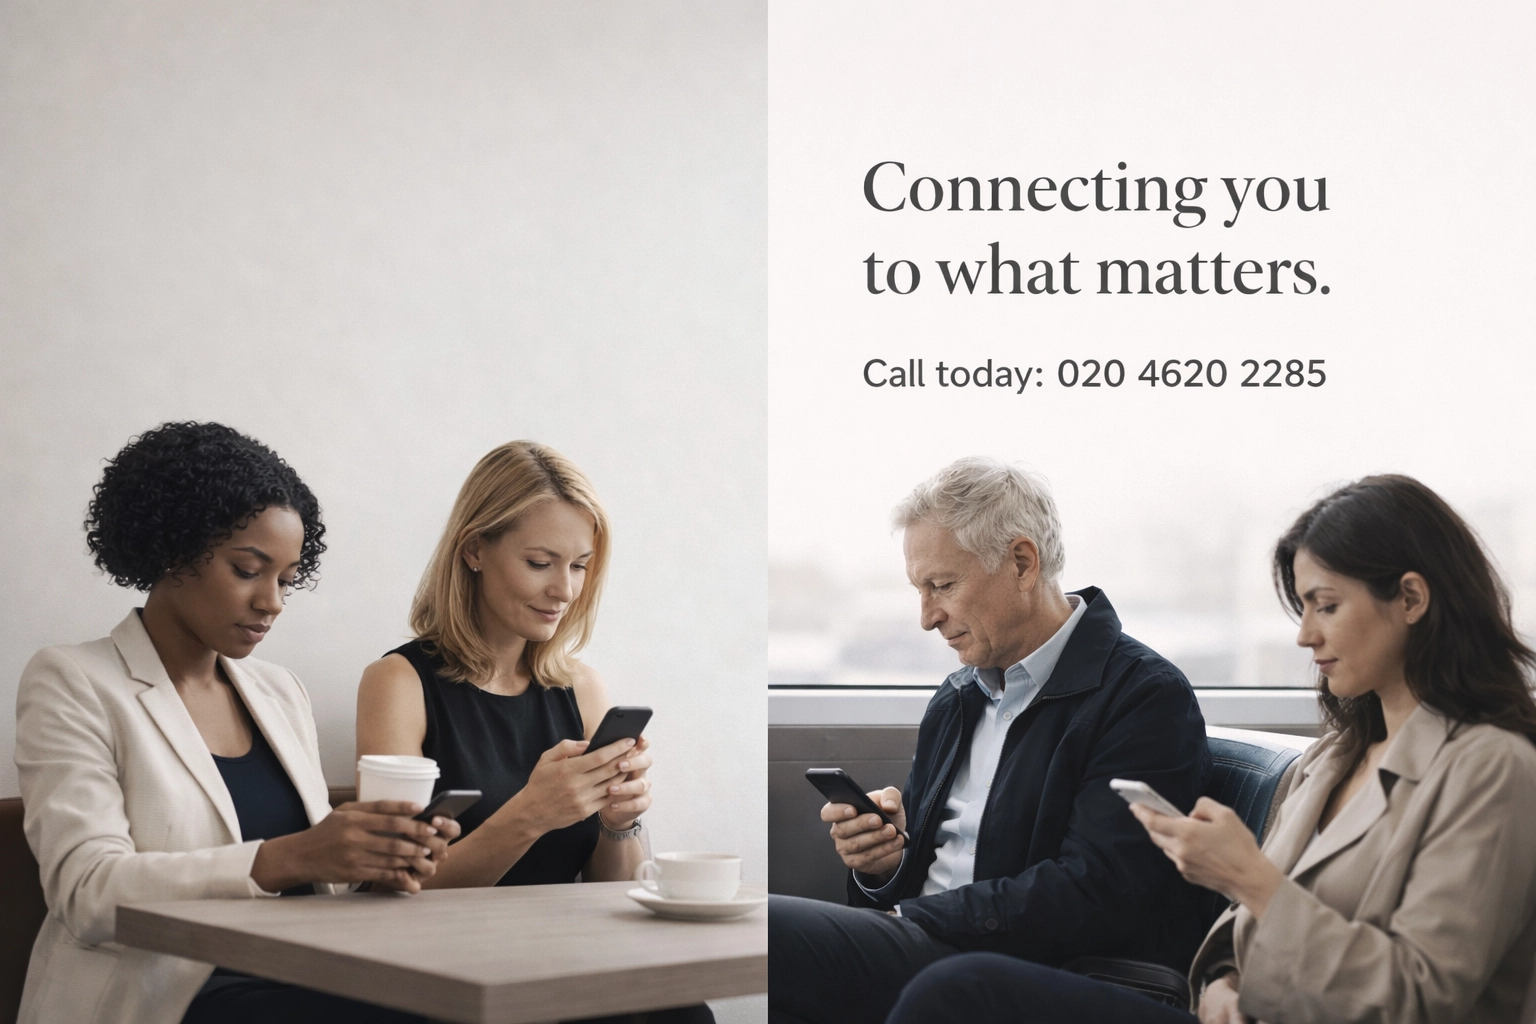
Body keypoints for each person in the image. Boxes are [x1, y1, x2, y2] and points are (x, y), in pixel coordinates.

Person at [883, 474, 1536, 1024]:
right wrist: (1222, 981)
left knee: (957, 991)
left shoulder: (1491, 769)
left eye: (1326, 606)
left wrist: (1247, 877)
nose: (1306, 636)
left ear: (1412, 599)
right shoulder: (1334, 759)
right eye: (1301, 608)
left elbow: (1421, 996)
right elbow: (1238, 938)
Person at [14, 422, 461, 1024]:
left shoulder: (279, 692)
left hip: (300, 981)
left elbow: (316, 890)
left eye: (286, 579)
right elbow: (88, 893)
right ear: (173, 551)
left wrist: (379, 864)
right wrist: (290, 856)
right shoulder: (74, 680)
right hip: (170, 1000)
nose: (272, 601)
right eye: (249, 570)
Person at [768, 457, 1211, 1024]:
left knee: (765, 935)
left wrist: (921, 918)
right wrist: (884, 866)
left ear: (1022, 563)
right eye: (920, 590)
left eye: (942, 585)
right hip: (933, 944)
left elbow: (1100, 891)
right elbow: (929, 871)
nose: (928, 617)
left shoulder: (1143, 696)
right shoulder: (957, 698)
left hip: (1012, 968)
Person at [355, 440, 711, 1024]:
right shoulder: (399, 682)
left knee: (681, 1013)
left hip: (562, 956)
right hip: (445, 971)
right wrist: (532, 812)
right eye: (540, 563)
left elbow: (611, 892)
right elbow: (393, 892)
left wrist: (620, 824)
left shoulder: (581, 689)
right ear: (473, 550)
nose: (565, 591)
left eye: (579, 566)